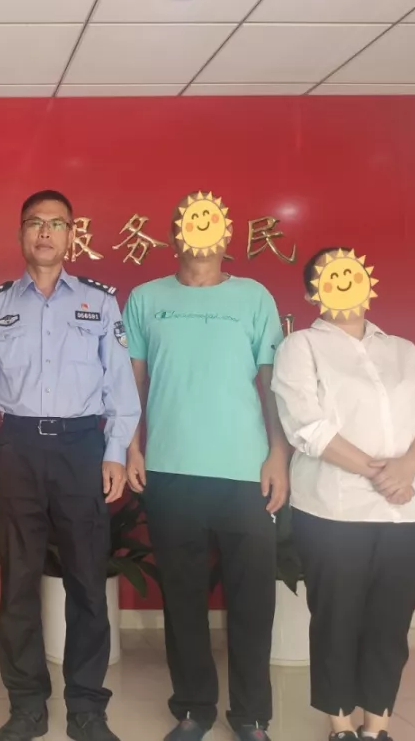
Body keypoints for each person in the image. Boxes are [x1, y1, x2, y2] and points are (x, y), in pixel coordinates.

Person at [271, 247, 415, 741]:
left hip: (410, 510)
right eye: (331, 276)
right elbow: (306, 425)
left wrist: (408, 466)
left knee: (389, 624)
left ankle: (376, 726)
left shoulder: (401, 349)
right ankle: (340, 725)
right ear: (313, 292)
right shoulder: (301, 347)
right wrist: (380, 473)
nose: (344, 282)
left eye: (352, 273)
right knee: (336, 621)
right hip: (335, 512)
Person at [0, 190, 139, 741]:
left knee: (87, 581)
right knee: (18, 583)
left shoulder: (99, 303)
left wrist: (114, 453)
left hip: (80, 448)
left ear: (71, 234)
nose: (45, 232)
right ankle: (27, 706)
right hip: (17, 447)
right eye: (35, 223)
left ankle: (87, 707)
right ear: (21, 233)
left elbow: (121, 387)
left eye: (56, 223)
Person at [122, 192, 289, 741]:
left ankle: (252, 716)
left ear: (226, 233)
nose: (198, 230)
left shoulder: (254, 297)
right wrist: (131, 447)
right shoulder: (146, 299)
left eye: (209, 221)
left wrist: (278, 454)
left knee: (252, 601)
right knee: (183, 598)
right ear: (174, 235)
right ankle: (193, 708)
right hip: (172, 471)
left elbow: (272, 384)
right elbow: (132, 382)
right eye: (188, 222)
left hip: (247, 472)